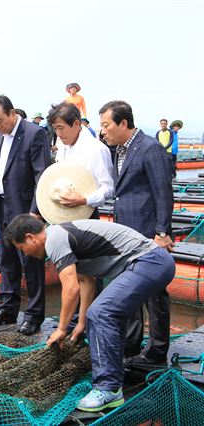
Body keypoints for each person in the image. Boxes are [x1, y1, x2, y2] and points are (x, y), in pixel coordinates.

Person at [4, 215, 175, 412]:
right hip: (151, 262)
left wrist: (61, 329)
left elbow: (71, 289)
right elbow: (87, 282)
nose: (25, 254)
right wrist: (81, 323)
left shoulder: (54, 238)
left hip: (149, 261)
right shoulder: (62, 238)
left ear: (30, 237)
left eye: (21, 248)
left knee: (101, 313)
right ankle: (113, 380)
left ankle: (108, 388)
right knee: (103, 315)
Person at [100, 100, 174, 369]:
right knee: (128, 287)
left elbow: (163, 192)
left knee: (155, 293)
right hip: (126, 233)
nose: (103, 131)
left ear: (123, 123)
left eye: (106, 125)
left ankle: (157, 350)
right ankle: (132, 344)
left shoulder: (150, 148)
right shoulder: (117, 150)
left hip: (147, 233)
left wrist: (162, 231)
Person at [0, 95, 51, 335]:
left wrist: (35, 212)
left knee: (31, 264)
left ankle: (33, 315)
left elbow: (42, 175)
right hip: (3, 205)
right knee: (8, 261)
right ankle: (8, 307)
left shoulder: (34, 134)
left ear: (12, 113)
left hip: (24, 209)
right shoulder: (0, 134)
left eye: (0, 120)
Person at [48, 103, 114, 216]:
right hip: (62, 213)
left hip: (87, 214)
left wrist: (85, 199)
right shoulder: (63, 148)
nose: (58, 134)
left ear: (76, 124)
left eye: (61, 128)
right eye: (55, 128)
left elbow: (108, 188)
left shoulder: (96, 150)